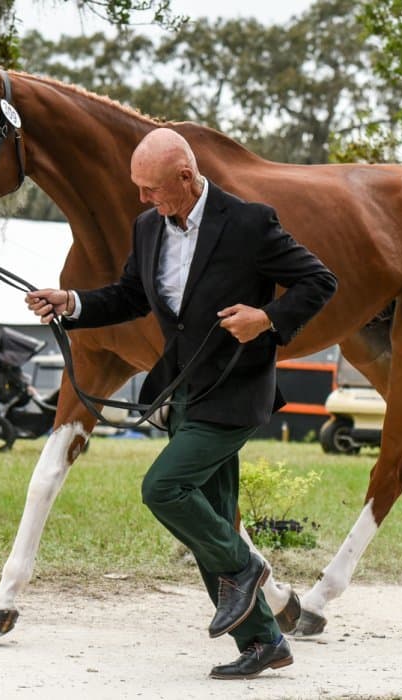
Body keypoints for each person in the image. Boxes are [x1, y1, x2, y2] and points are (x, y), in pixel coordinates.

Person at [26, 128, 337, 680]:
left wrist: (267, 319)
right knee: (210, 519)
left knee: (164, 489)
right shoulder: (148, 227)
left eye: (150, 188)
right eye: (138, 188)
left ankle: (245, 566)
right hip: (184, 391)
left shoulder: (249, 222)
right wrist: (70, 302)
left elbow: (319, 280)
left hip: (237, 391)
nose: (142, 198)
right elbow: (130, 295)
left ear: (186, 178)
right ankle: (264, 641)